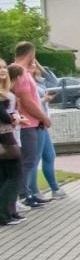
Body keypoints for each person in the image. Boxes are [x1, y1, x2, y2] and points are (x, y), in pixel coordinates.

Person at [10, 43, 51, 210]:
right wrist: (43, 117)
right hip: (26, 124)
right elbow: (26, 101)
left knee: (31, 160)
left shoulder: (25, 72)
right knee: (28, 161)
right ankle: (23, 195)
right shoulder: (19, 73)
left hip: (32, 122)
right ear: (30, 53)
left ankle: (27, 193)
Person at [28, 55, 63, 201]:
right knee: (34, 159)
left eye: (34, 64)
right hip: (36, 122)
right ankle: (33, 192)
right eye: (30, 65)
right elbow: (29, 103)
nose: (33, 67)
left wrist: (40, 67)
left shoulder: (38, 82)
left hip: (43, 122)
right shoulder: (27, 83)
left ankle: (55, 188)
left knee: (49, 155)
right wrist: (44, 100)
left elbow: (54, 83)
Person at [0, 66, 24, 225]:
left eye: (3, 67)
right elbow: (5, 117)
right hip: (4, 138)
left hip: (7, 136)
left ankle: (10, 211)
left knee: (4, 177)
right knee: (14, 175)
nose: (3, 70)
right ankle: (4, 214)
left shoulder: (5, 92)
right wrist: (15, 118)